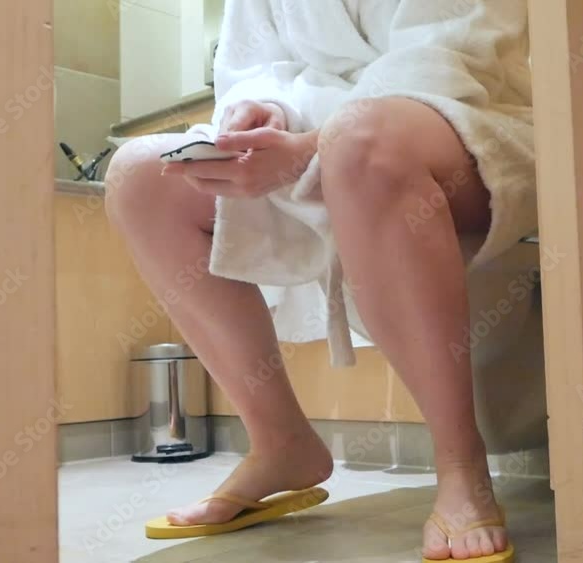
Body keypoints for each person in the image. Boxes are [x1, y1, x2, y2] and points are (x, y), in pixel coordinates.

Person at [105, 1, 536, 560]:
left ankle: (460, 463)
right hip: (315, 134)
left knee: (359, 141)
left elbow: (452, 54)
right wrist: (263, 113)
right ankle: (280, 442)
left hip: (468, 121)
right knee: (140, 175)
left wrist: (316, 145)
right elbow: (251, 65)